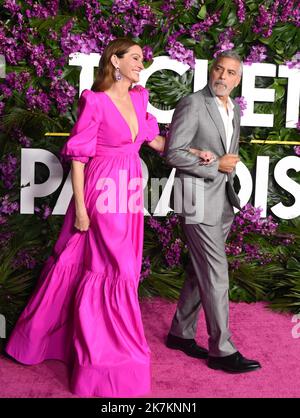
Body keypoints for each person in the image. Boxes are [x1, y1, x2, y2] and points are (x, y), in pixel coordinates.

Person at [5, 37, 212, 397]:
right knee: (113, 268)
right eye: (134, 57)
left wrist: (192, 150)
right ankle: (105, 360)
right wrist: (82, 209)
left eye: (142, 58)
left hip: (129, 190)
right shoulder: (95, 102)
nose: (140, 64)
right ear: (114, 61)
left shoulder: (139, 97)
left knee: (112, 264)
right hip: (101, 190)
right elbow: (79, 158)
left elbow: (154, 140)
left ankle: (52, 340)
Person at [164, 50, 261, 373]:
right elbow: (173, 152)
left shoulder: (233, 108)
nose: (222, 76)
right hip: (195, 199)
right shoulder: (193, 103)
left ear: (238, 79)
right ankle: (221, 349)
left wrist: (223, 169)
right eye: (218, 69)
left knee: (199, 270)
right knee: (217, 272)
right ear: (211, 71)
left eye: (230, 72)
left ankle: (180, 333)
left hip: (222, 200)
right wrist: (215, 165)